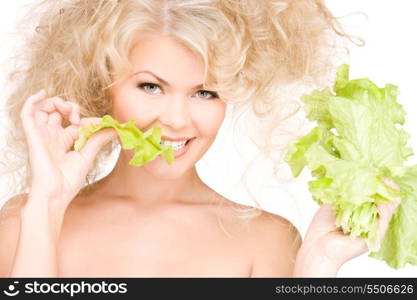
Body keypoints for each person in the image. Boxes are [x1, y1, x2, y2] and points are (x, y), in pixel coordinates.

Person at [0, 0, 399, 278]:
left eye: (204, 93)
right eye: (151, 87)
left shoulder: (265, 241)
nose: (175, 120)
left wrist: (319, 265)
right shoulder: (25, 221)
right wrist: (48, 205)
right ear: (104, 86)